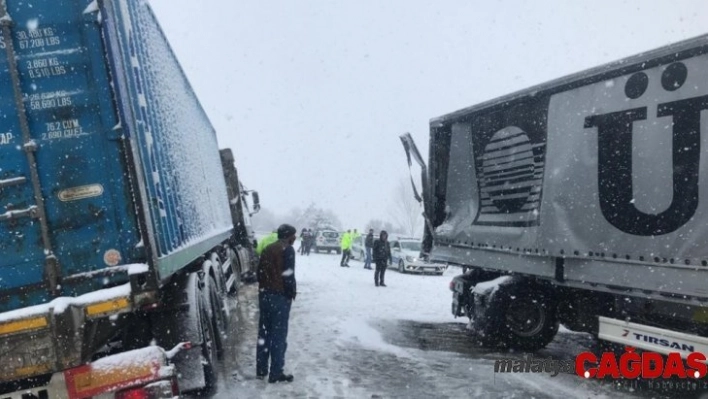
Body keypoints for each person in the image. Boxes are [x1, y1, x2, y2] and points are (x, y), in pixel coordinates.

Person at [256, 224, 298, 383]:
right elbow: (288, 275)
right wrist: (289, 294)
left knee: (264, 334)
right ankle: (276, 372)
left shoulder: (268, 248)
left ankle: (261, 370)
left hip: (264, 295)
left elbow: (259, 273)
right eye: (294, 235)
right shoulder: (287, 250)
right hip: (279, 297)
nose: (295, 238)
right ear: (288, 236)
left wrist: (265, 288)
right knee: (279, 336)